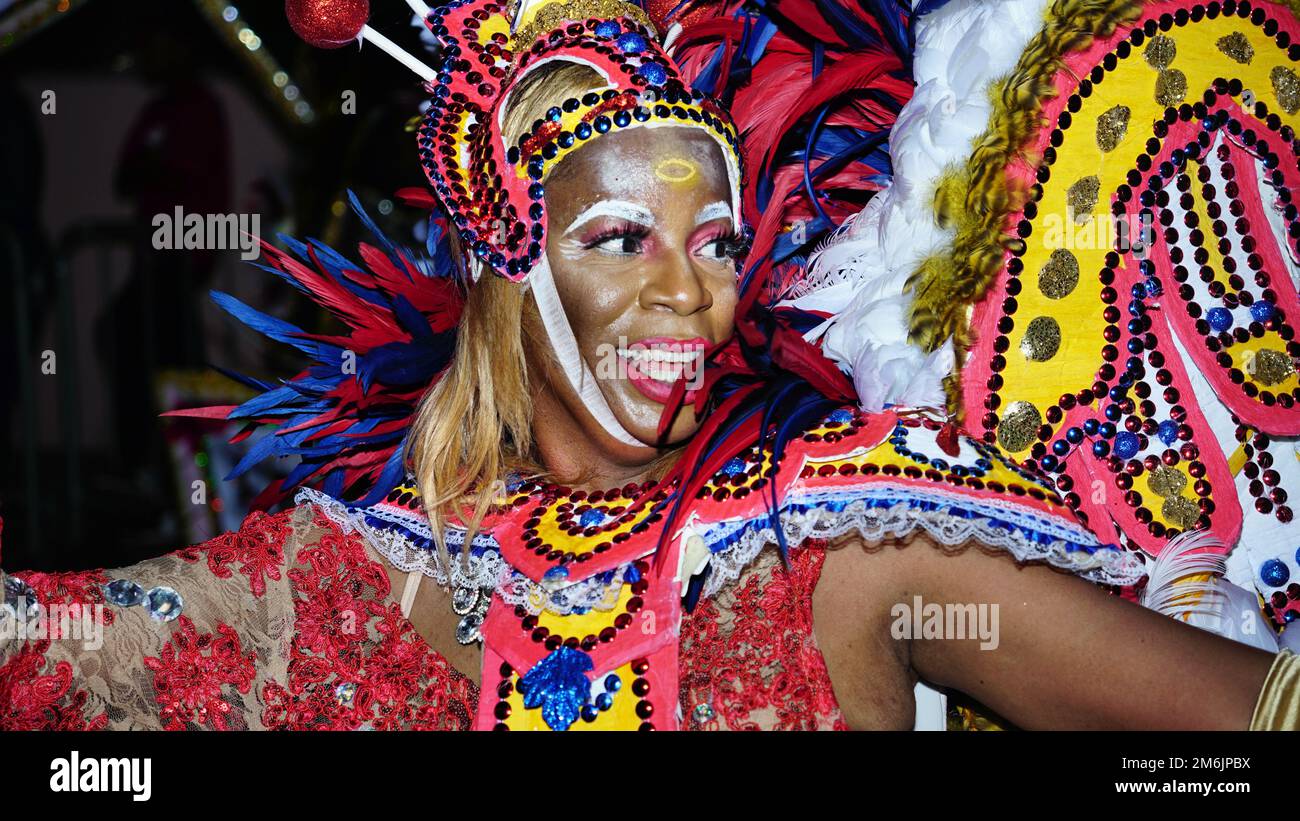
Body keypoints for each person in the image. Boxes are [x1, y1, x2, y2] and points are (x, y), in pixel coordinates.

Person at [2, 0, 1298, 731]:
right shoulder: (336, 575)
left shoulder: (847, 527)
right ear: (512, 281)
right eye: (624, 237)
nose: (689, 286)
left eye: (718, 238)